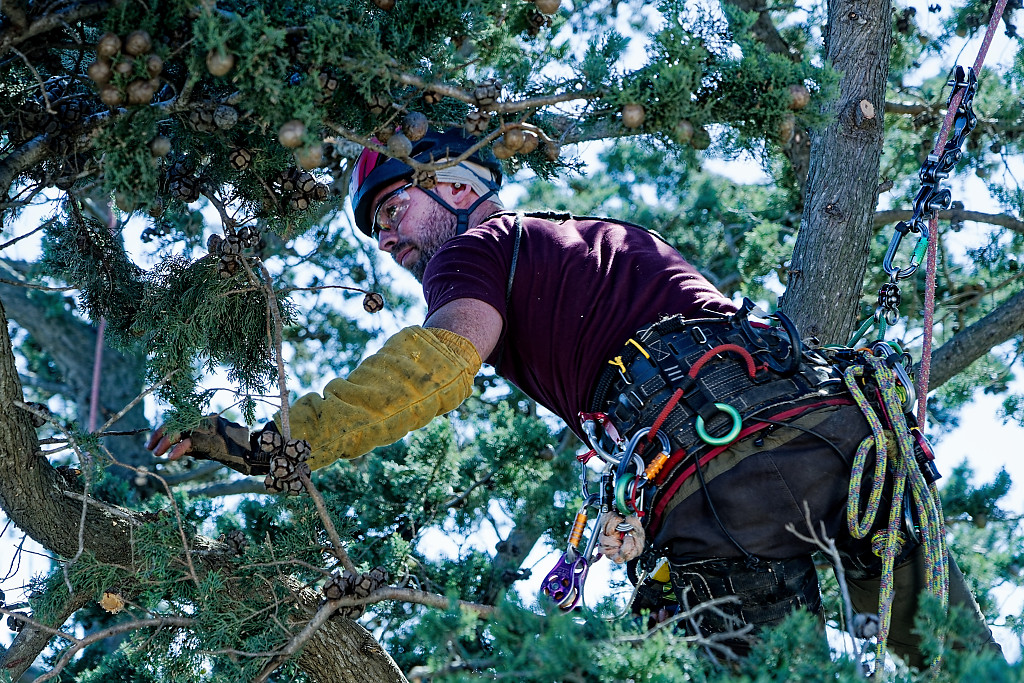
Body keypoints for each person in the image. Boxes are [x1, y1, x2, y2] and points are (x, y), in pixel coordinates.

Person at [148, 128, 1001, 666]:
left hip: (717, 483)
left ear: (456, 184)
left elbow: (440, 363)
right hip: (831, 437)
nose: (390, 242)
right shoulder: (600, 240)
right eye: (376, 233)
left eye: (395, 209)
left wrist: (285, 438)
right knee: (962, 659)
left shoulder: (475, 248)